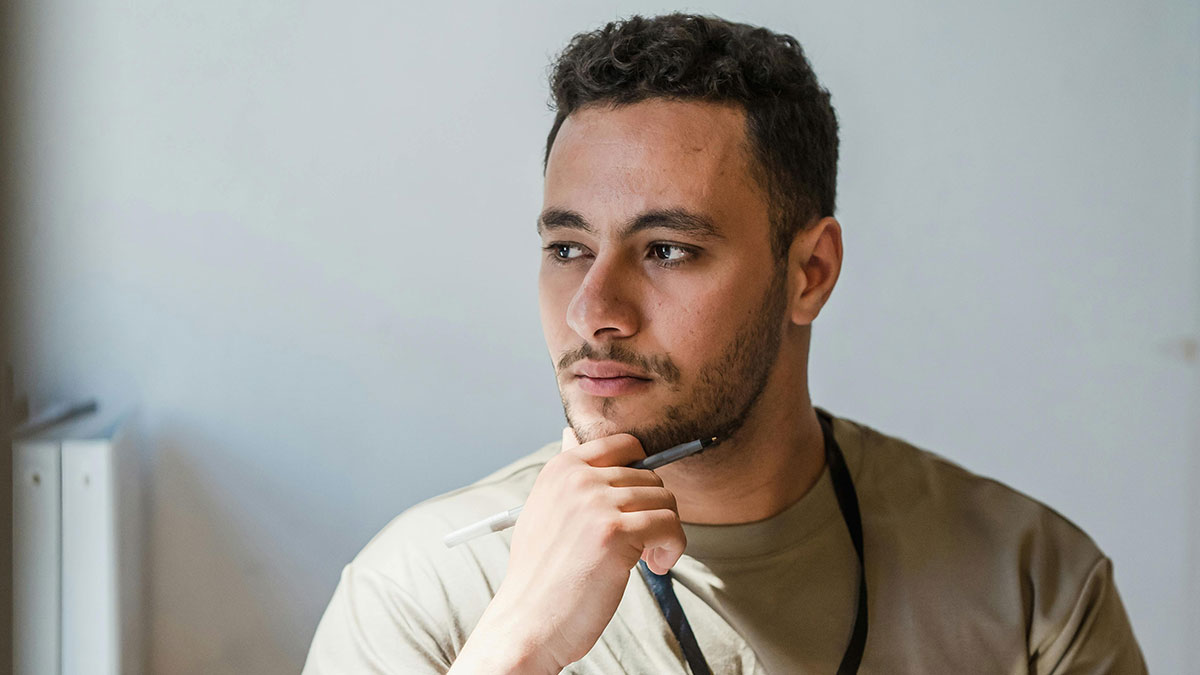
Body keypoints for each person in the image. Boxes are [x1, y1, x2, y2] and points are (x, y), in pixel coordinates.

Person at [303, 13, 1147, 674]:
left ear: (810, 271)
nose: (593, 311)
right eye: (567, 248)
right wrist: (518, 646)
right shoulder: (422, 593)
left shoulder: (1030, 585)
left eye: (667, 250)